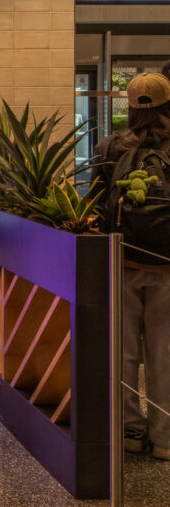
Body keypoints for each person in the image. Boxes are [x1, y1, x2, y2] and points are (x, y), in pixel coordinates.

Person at [90, 72, 170, 461]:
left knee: (123, 352)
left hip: (121, 261)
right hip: (168, 266)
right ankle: (166, 438)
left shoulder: (109, 147)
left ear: (130, 105)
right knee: (164, 352)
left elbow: (91, 206)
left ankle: (130, 431)